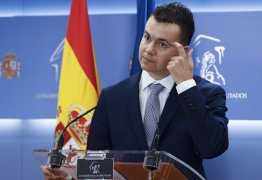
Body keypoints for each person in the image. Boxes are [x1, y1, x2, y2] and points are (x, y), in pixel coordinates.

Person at [41, 2, 228, 179]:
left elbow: (212, 148)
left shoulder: (205, 94)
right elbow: (98, 163)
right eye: (147, 37)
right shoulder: (112, 97)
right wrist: (69, 177)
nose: (148, 50)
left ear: (183, 52)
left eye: (162, 44)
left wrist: (186, 85)